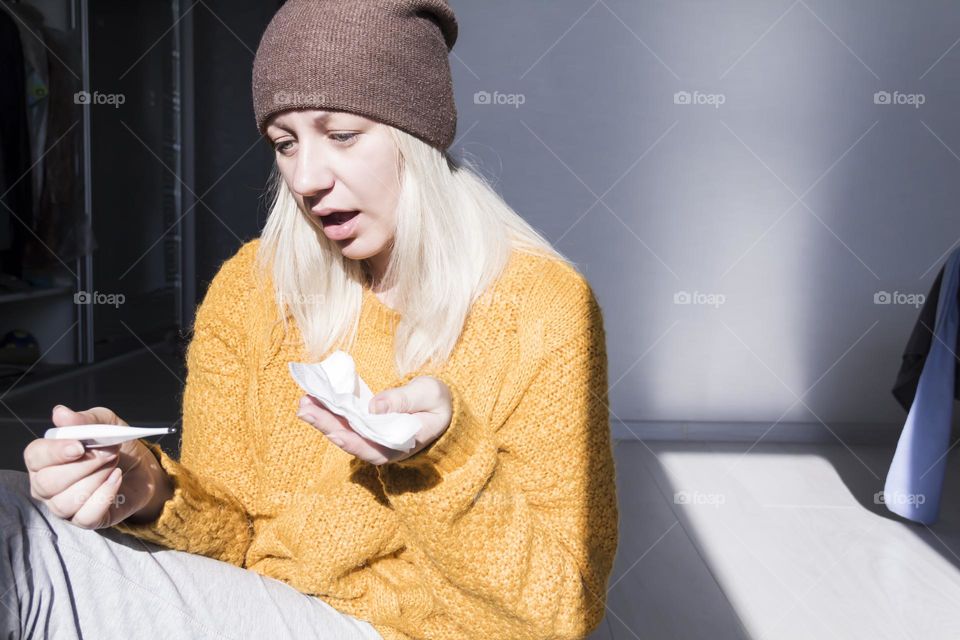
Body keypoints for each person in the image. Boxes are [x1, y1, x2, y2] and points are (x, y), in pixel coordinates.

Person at [2, 1, 620, 638]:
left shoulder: (544, 304)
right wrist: (145, 488)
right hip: (263, 607)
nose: (306, 178)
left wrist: (442, 458)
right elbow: (235, 536)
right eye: (285, 143)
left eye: (342, 135)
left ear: (419, 135)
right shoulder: (253, 286)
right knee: (11, 500)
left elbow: (558, 612)